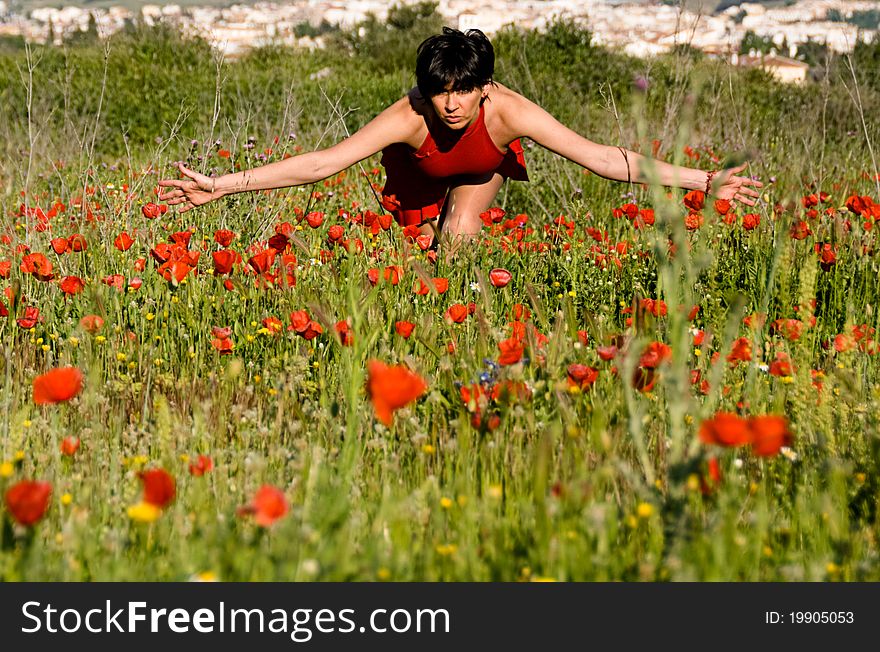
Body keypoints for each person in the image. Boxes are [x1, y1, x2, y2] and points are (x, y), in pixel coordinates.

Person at [158, 27, 762, 258]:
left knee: (457, 239)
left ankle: (462, 338)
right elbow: (322, 164)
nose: (450, 103)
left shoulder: (509, 113)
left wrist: (707, 182)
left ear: (484, 87)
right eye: (440, 91)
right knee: (414, 255)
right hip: (415, 176)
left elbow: (604, 158)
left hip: (479, 168)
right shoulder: (411, 114)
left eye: (463, 90)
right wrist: (219, 188)